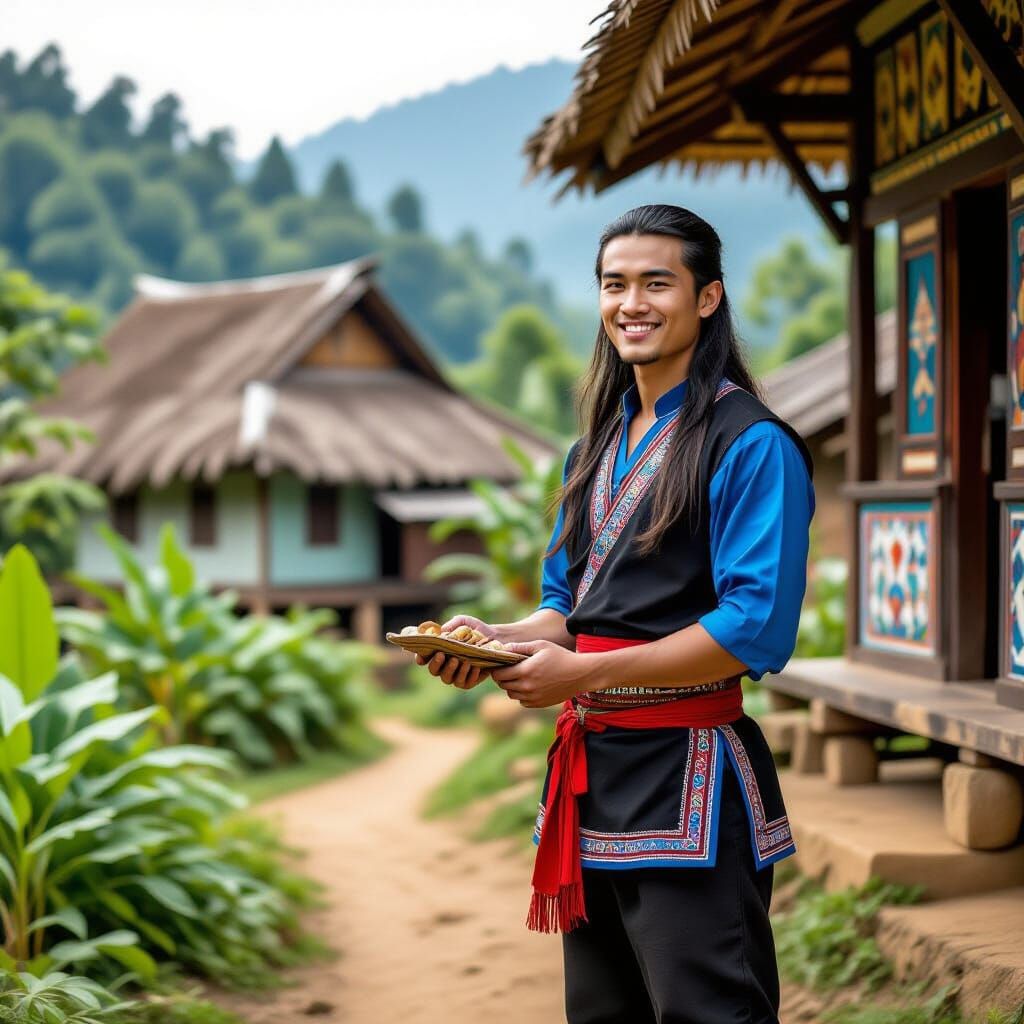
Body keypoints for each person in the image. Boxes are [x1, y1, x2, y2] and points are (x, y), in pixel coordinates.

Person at [416, 204, 815, 1024]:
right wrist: (495, 642)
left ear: (707, 297)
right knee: (602, 1015)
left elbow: (752, 627)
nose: (631, 303)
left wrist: (583, 673)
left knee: (709, 1014)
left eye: (655, 282)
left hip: (692, 777)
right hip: (593, 783)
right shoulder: (594, 446)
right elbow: (566, 607)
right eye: (614, 284)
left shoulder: (751, 444)